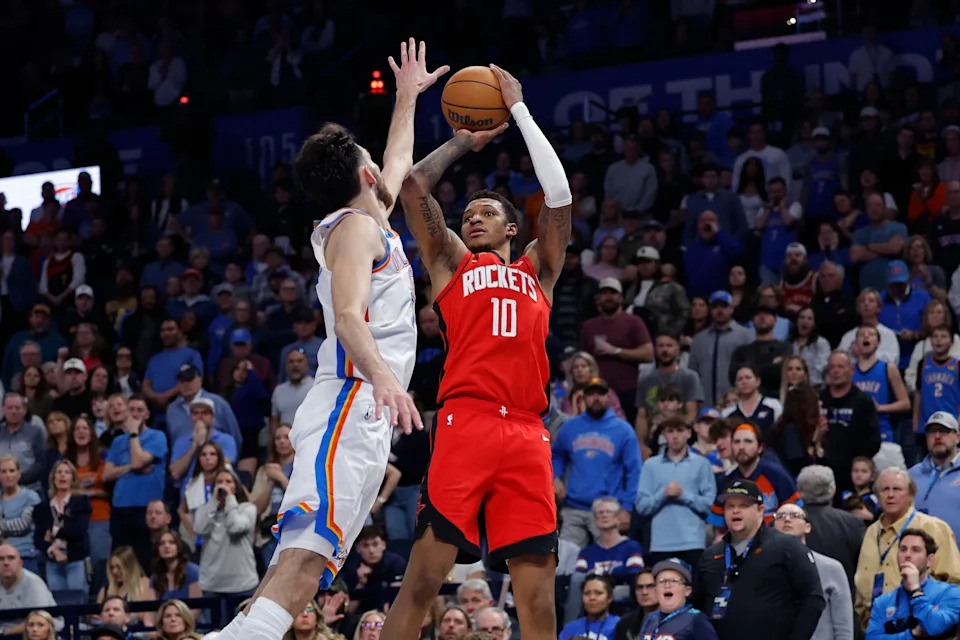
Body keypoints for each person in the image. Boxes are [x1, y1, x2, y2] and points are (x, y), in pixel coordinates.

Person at [220, 40, 439, 640]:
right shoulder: (354, 230)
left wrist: (407, 98)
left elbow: (399, 158)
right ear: (365, 176)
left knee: (310, 554)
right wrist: (388, 380)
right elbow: (346, 317)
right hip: (351, 396)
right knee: (308, 552)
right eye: (373, 163)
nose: (383, 168)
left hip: (363, 407)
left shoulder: (372, 218)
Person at [378, 60, 574, 640]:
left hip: (528, 432)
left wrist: (519, 111)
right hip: (468, 421)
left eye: (487, 213)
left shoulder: (539, 270)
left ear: (514, 229)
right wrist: (464, 140)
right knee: (422, 580)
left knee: (538, 600)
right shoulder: (451, 264)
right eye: (468, 215)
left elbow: (559, 194)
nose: (473, 219)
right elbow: (413, 185)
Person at [695, 479, 825, 640]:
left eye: (743, 506)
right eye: (730, 506)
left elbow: (813, 598)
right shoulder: (711, 555)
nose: (735, 511)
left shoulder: (787, 546)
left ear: (760, 510)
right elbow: (698, 606)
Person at [853, 467, 960, 626]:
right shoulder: (871, 532)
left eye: (897, 489)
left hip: (920, 626)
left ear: (911, 494)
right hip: (876, 627)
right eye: (885, 489)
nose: (890, 495)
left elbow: (954, 582)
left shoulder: (934, 528)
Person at [553, 377, 641, 547]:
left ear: (608, 397)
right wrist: (555, 477)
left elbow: (634, 471)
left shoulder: (623, 430)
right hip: (573, 507)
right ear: (584, 398)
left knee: (607, 558)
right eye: (591, 394)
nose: (596, 398)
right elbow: (556, 455)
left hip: (607, 508)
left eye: (600, 394)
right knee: (566, 558)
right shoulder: (570, 427)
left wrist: (627, 508)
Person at [635, 415, 716, 570]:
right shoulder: (651, 465)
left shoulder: (701, 464)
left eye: (680, 430)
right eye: (670, 431)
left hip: (693, 543)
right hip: (660, 544)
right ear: (664, 435)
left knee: (693, 585)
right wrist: (663, 494)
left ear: (689, 433)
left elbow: (710, 505)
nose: (675, 436)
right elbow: (641, 506)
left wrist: (684, 495)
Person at [773, 503, 854, 640]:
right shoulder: (762, 566)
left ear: (807, 527)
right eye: (780, 516)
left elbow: (844, 627)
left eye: (794, 515)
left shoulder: (831, 567)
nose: (787, 519)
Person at [865, 528, 960, 639]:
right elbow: (871, 638)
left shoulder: (950, 592)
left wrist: (915, 589)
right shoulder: (882, 602)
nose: (907, 555)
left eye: (915, 550)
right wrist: (912, 634)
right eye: (903, 549)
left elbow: (934, 627)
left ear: (929, 560)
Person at [564, 498, 644, 624]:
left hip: (621, 593)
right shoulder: (586, 552)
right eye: (600, 513)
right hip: (593, 593)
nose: (604, 515)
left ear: (618, 518)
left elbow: (634, 575)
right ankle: (571, 628)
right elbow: (578, 579)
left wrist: (597, 575)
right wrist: (614, 575)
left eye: (609, 512)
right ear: (595, 520)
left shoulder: (632, 547)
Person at [708, 423, 800, 530]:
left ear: (760, 448)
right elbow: (719, 526)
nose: (741, 447)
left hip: (774, 537)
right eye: (737, 442)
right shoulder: (725, 482)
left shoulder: (777, 475)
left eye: (748, 441)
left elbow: (796, 514)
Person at [820, 351, 882, 497]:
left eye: (840, 367)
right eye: (832, 367)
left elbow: (874, 439)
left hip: (852, 474)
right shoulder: (819, 398)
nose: (835, 371)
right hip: (823, 470)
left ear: (851, 371)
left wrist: (858, 464)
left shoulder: (863, 401)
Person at [796, 465, 868, 589]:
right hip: (843, 593)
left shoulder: (783, 524)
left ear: (799, 492)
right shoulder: (852, 523)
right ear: (833, 490)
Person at [194, 469, 258, 600]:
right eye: (219, 482)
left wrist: (230, 499)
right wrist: (213, 502)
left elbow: (235, 527)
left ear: (236, 487)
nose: (223, 485)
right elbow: (199, 529)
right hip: (212, 585)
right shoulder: (204, 510)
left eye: (228, 481)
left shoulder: (248, 509)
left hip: (243, 584)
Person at [33, 459, 91, 591]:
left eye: (67, 472)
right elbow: (39, 538)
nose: (62, 475)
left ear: (73, 479)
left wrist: (54, 532)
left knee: (77, 600)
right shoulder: (43, 508)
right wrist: (53, 550)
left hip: (75, 560)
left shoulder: (81, 503)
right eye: (59, 472)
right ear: (53, 478)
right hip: (53, 562)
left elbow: (78, 530)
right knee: (57, 601)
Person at [688, 291, 753, 407]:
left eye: (724, 306)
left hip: (736, 403)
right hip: (705, 404)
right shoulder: (699, 339)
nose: (719, 310)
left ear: (731, 309)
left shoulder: (746, 336)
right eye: (715, 307)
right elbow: (693, 373)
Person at [851, 325, 910, 445]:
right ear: (855, 343)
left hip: (882, 431)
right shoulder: (849, 370)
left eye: (871, 334)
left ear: (878, 343)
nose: (866, 336)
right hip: (853, 432)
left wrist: (880, 408)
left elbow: (905, 404)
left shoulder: (888, 368)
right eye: (862, 335)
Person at [909, 412, 960, 542]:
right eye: (932, 432)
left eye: (944, 431)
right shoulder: (911, 475)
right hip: (918, 552)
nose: (937, 436)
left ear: (958, 437)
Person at [637, 558, 718, 640]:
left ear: (687, 591)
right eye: (662, 581)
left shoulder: (696, 620)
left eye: (674, 581)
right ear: (656, 590)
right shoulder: (649, 619)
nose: (667, 585)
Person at [0, 543, 58, 636]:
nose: (6, 563)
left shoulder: (34, 583)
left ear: (20, 563)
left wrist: (4, 633)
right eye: (1, 559)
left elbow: (39, 621)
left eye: (11, 558)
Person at [721, 365, 783, 434]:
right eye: (740, 379)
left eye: (748, 377)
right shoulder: (727, 413)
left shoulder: (774, 406)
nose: (744, 381)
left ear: (758, 381)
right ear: (736, 384)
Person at [559, 573, 620, 640]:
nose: (592, 598)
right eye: (587, 593)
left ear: (610, 598)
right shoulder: (570, 629)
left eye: (598, 593)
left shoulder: (620, 626)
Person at [151, 529, 202, 602]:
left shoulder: (193, 571)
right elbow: (151, 606)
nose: (166, 546)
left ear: (178, 547)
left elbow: (196, 605)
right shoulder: (156, 575)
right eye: (162, 543)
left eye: (171, 542)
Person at [612, 569, 658, 640]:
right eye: (640, 587)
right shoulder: (625, 624)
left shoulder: (675, 620)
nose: (644, 592)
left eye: (650, 586)